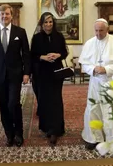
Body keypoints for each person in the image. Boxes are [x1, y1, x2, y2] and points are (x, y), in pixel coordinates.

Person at [0, 4, 31, 147]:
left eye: (7, 14)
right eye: (2, 14)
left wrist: (26, 72)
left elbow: (26, 54)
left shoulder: (20, 32)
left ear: (12, 15)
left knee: (13, 103)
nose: (5, 16)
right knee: (3, 105)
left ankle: (18, 133)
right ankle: (9, 134)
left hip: (15, 75)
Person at [79, 18, 113, 150]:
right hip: (95, 81)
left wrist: (106, 69)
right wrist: (93, 69)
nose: (98, 34)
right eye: (96, 30)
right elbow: (84, 63)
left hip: (111, 81)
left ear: (107, 30)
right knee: (93, 108)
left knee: (111, 109)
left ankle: (112, 139)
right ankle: (93, 138)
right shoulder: (90, 43)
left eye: (101, 30)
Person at [30, 12, 68, 146]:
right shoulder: (36, 38)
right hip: (41, 73)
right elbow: (32, 55)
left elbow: (65, 52)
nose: (48, 24)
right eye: (46, 22)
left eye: (50, 22)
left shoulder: (59, 36)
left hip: (57, 73)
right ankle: (46, 127)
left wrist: (58, 55)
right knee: (44, 100)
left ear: (54, 23)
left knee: (56, 100)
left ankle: (56, 129)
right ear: (42, 23)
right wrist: (42, 57)